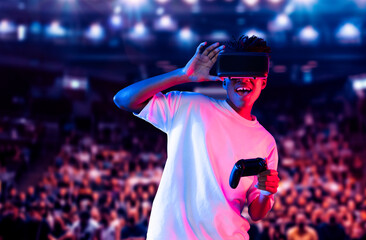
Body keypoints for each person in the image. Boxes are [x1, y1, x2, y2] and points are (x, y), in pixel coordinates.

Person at [113, 35, 280, 239]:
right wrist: (182, 75)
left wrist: (266, 192)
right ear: (223, 77)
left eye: (252, 72)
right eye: (236, 71)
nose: (243, 80)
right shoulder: (189, 106)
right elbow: (123, 100)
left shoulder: (265, 141)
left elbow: (256, 213)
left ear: (263, 82)